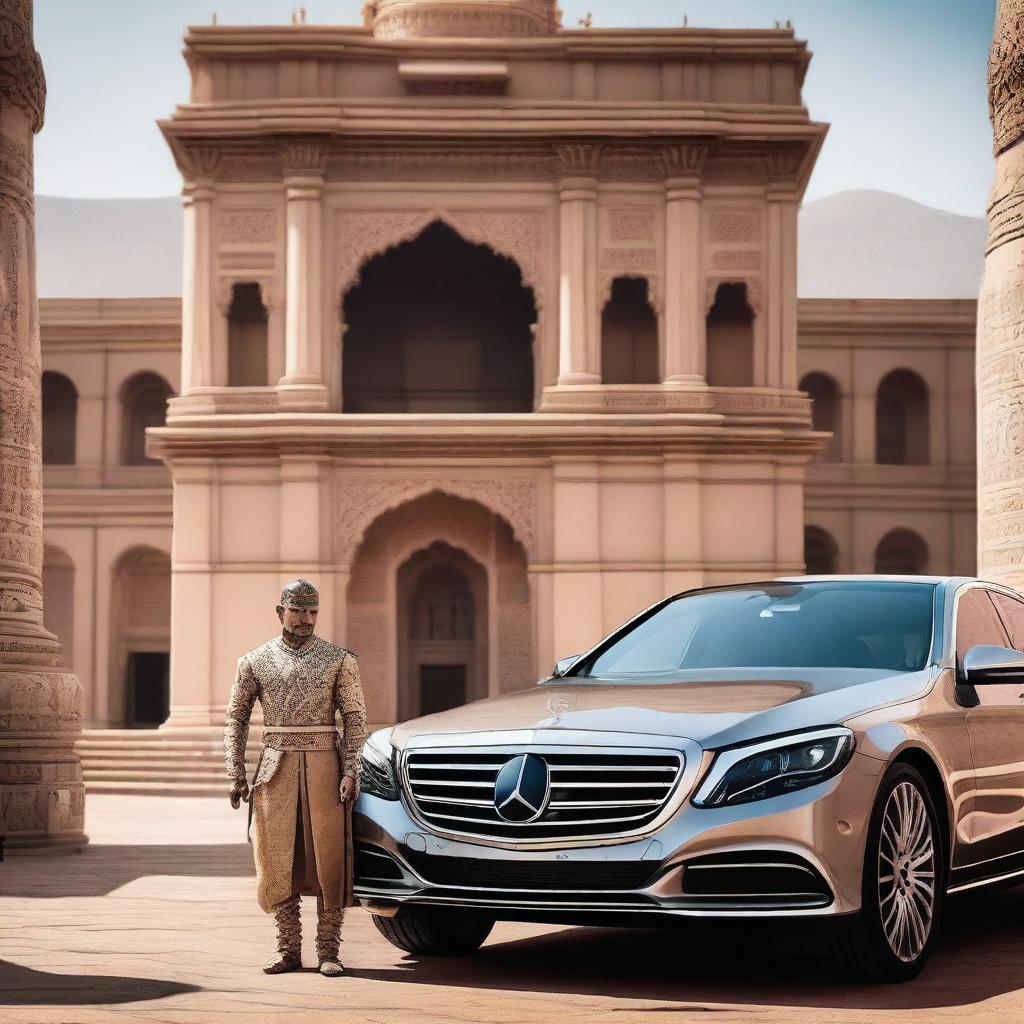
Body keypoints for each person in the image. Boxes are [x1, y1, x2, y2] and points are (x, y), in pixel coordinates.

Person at [224, 579, 367, 976]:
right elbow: (236, 717)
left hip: (326, 767)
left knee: (329, 859)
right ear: (280, 612)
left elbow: (354, 719)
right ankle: (288, 949)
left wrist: (352, 769)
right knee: (276, 859)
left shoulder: (339, 659)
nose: (306, 619)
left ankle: (329, 952)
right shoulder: (254, 661)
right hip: (274, 770)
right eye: (298, 610)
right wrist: (236, 772)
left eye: (313, 611)